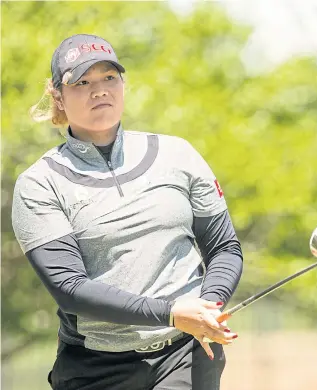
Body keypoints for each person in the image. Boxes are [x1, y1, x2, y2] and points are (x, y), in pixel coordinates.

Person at [11, 34, 243, 390]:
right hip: (97, 368)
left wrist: (207, 307)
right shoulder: (40, 183)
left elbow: (225, 248)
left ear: (123, 84)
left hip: (186, 355)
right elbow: (69, 288)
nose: (99, 90)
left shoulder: (177, 154)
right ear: (58, 95)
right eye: (83, 82)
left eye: (109, 78)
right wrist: (171, 313)